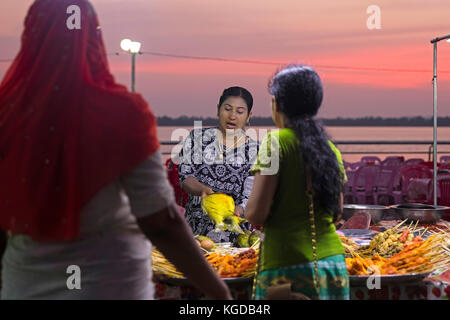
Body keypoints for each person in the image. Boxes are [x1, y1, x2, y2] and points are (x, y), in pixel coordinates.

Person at [0, 0, 231, 300]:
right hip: (109, 286)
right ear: (93, 40)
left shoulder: (9, 115)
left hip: (24, 286)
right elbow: (161, 222)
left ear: (29, 38)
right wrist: (221, 295)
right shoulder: (122, 115)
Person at [245, 65, 350, 300]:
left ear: (278, 105)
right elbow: (337, 213)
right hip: (333, 265)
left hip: (286, 266)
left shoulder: (275, 142)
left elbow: (256, 215)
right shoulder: (330, 149)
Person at [177, 87, 259, 243]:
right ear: (218, 109)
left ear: (249, 116)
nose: (232, 116)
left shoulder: (255, 150)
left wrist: (239, 210)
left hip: (234, 235)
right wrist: (202, 190)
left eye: (240, 112)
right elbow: (186, 176)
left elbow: (251, 194)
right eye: (227, 109)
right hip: (196, 232)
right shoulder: (196, 138)